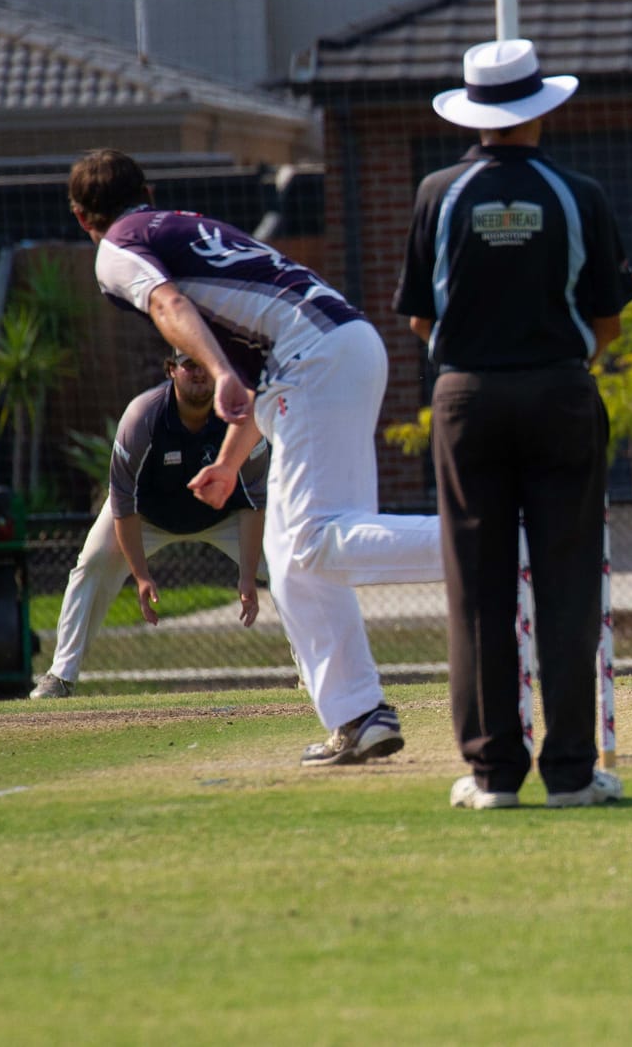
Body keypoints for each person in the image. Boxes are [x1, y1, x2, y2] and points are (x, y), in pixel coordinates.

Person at [68, 148, 439, 767]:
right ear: (149, 190)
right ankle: (359, 714)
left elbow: (167, 306)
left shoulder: (117, 247)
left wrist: (214, 372)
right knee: (294, 559)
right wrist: (232, 461)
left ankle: (495, 543)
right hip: (342, 344)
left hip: (313, 361)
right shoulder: (188, 224)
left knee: (314, 542)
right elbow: (264, 348)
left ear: (83, 218)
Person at [398, 39, 632, 811]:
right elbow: (610, 321)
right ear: (543, 108)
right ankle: (569, 771)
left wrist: (478, 364)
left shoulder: (437, 191)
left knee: (477, 591)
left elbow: (417, 317)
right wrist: (554, 363)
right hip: (561, 394)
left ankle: (493, 774)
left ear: (473, 112)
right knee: (568, 586)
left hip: (464, 400)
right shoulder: (580, 193)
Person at [30, 349, 269, 698]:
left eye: (205, 365)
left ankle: (312, 675)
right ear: (172, 370)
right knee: (92, 563)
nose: (198, 373)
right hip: (145, 517)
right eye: (189, 365)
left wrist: (248, 576)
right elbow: (123, 505)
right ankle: (60, 676)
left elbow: (254, 503)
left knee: (288, 563)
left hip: (225, 515)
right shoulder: (143, 417)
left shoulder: (240, 416)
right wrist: (141, 575)